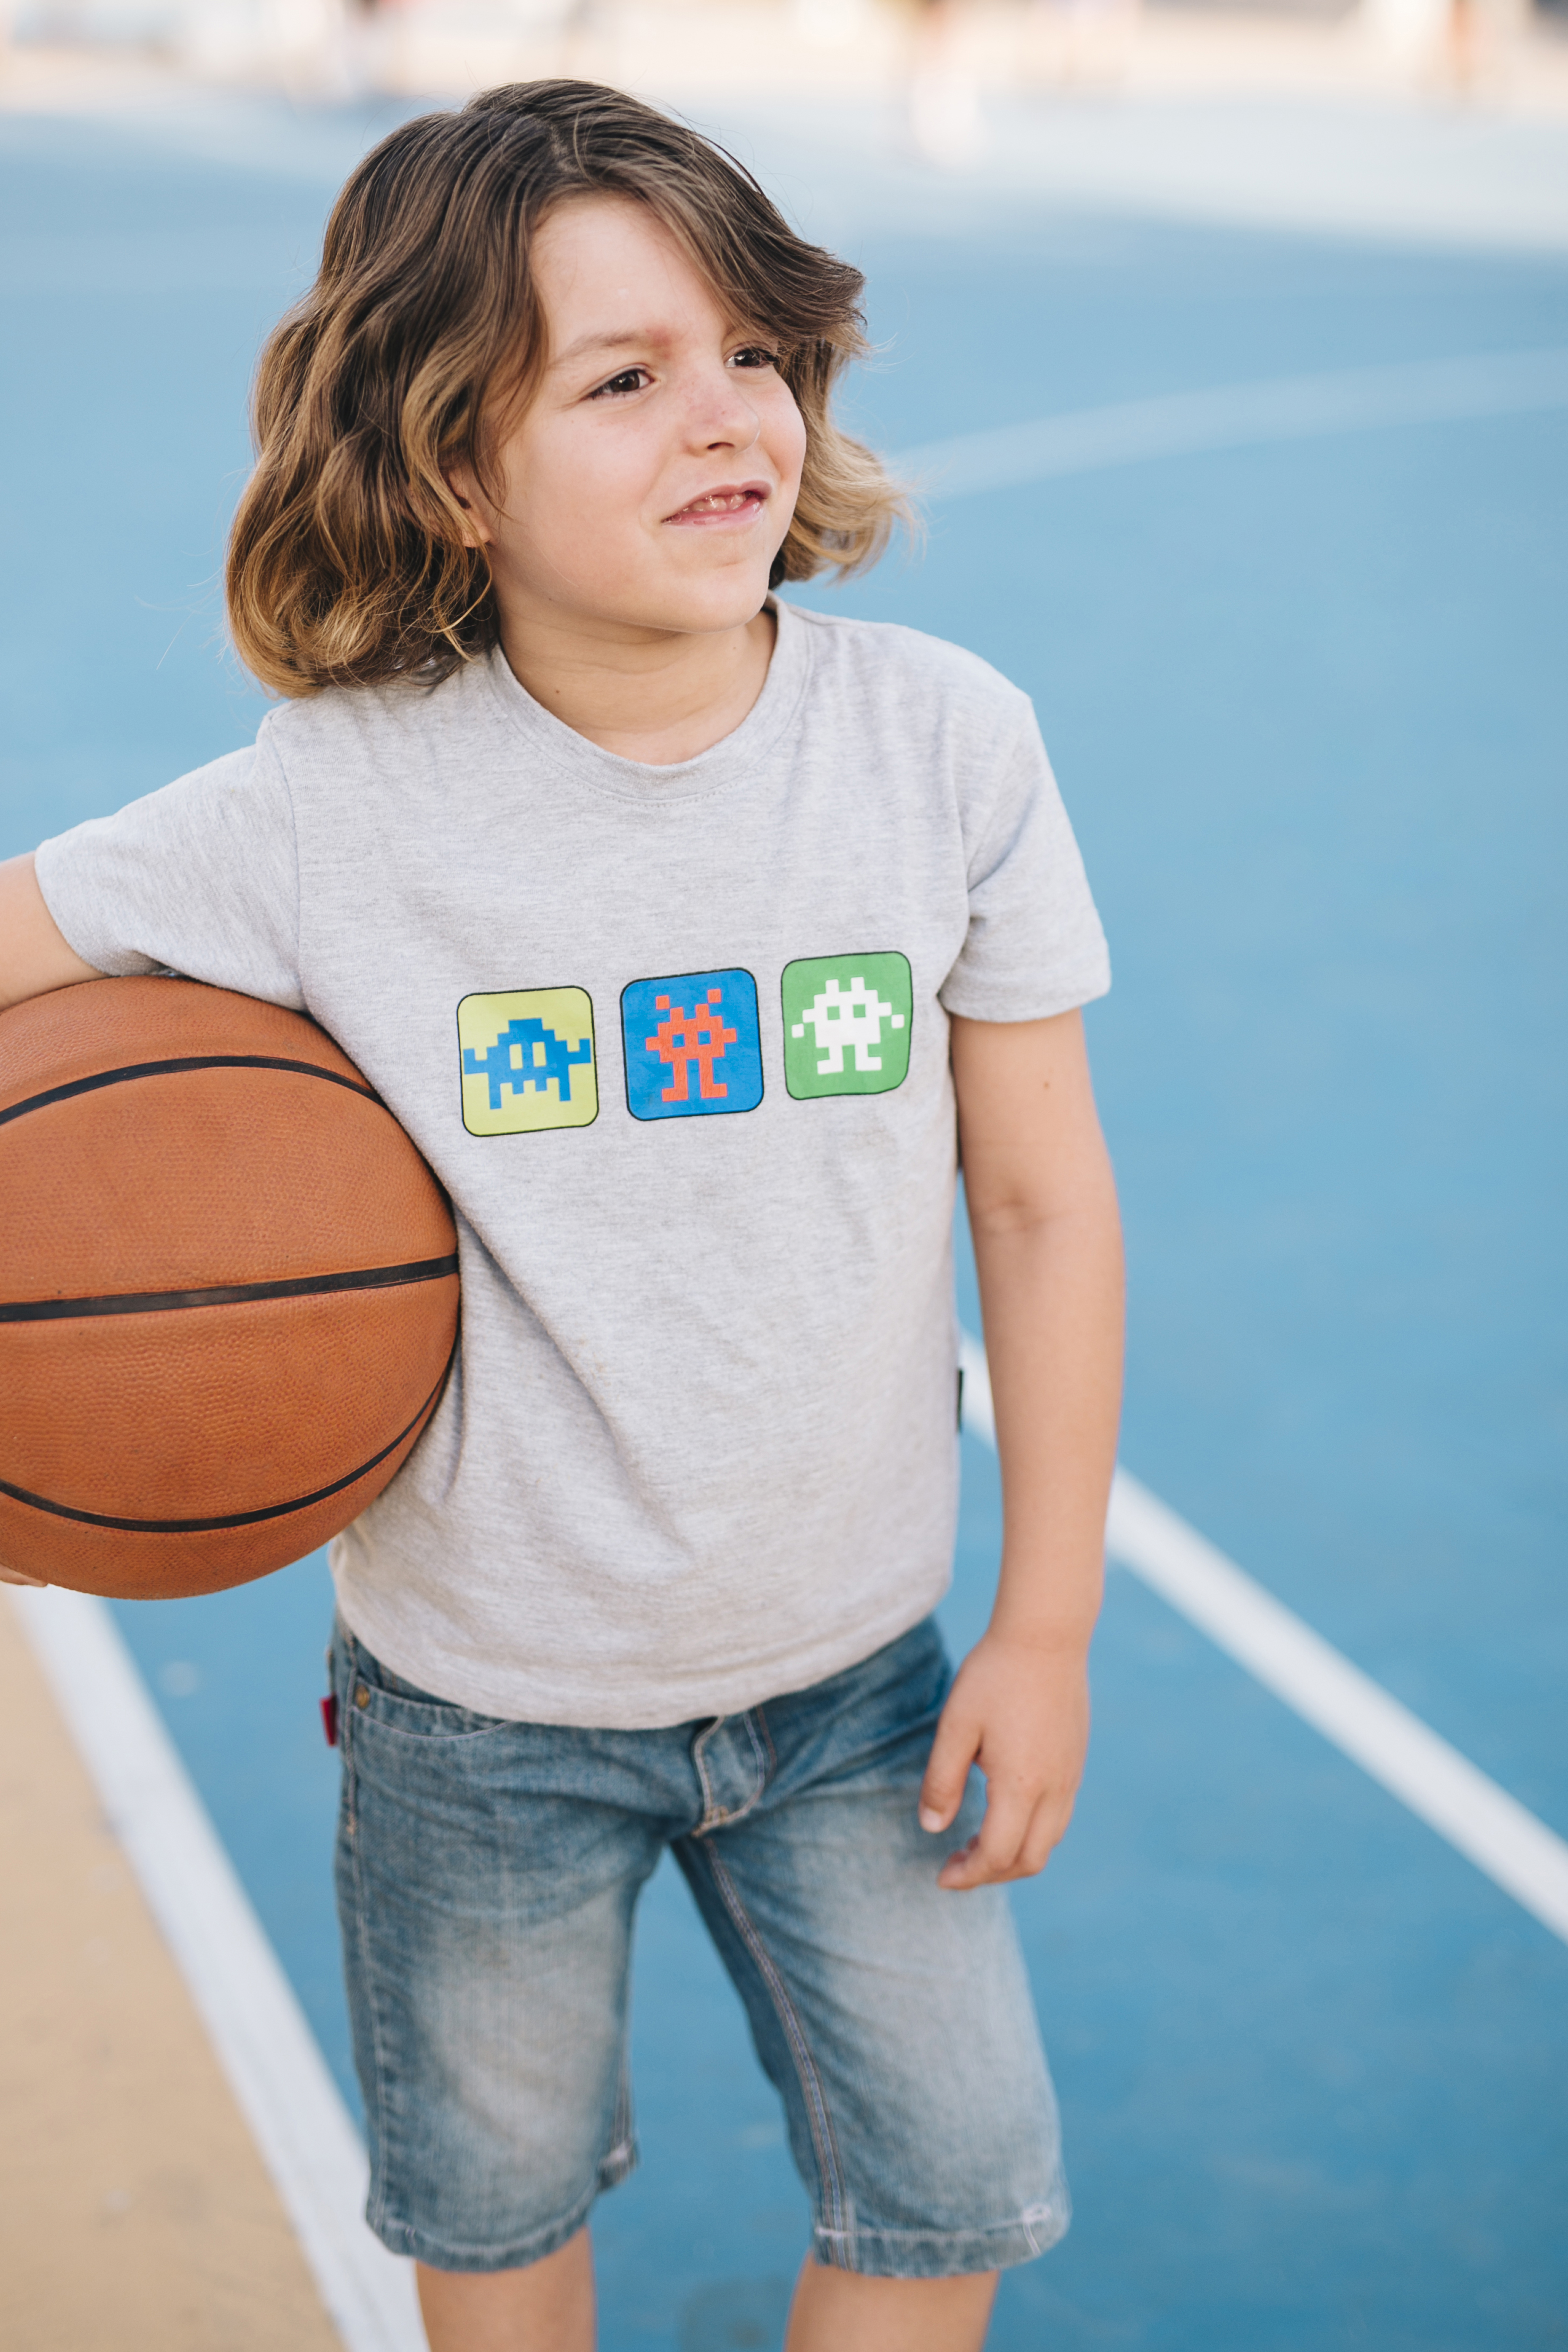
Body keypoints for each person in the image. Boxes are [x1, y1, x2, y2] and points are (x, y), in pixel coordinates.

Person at [0, 81, 1123, 2352]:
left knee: (955, 2188)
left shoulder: (944, 748)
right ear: (447, 465)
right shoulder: (338, 804)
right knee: (493, 2214)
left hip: (854, 1678)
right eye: (621, 378)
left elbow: (1042, 1189)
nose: (724, 417)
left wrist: (1052, 1624)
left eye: (752, 351)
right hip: (477, 1713)